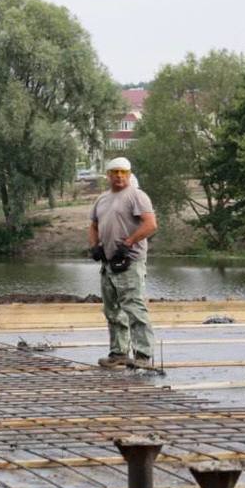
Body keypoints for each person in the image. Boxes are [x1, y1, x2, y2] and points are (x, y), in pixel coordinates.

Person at [89, 156, 158, 369]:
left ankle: (143, 355)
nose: (119, 176)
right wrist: (95, 246)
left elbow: (150, 224)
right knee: (112, 310)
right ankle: (118, 353)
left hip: (130, 261)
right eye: (115, 172)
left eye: (123, 172)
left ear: (129, 174)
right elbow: (93, 224)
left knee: (134, 308)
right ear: (108, 175)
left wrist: (129, 242)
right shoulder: (102, 199)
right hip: (109, 263)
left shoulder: (137, 196)